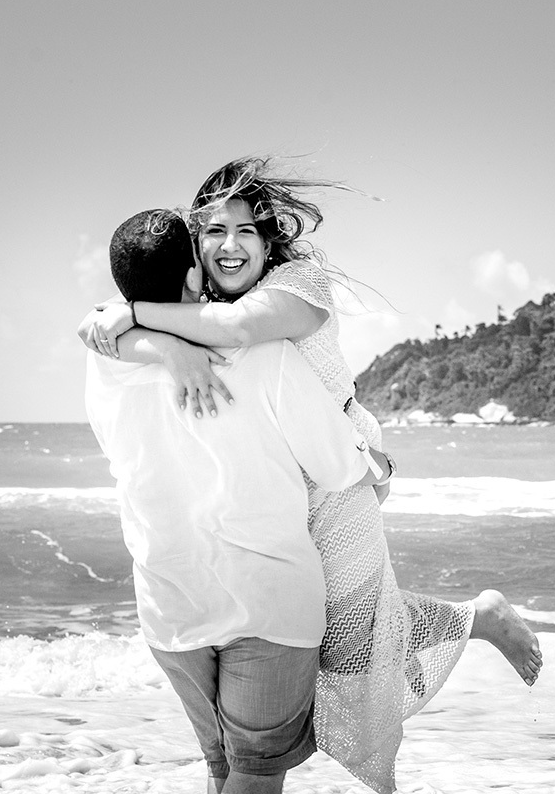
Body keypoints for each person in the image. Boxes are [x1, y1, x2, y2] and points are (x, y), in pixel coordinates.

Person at [79, 158, 542, 794]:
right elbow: (110, 323)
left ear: (270, 241)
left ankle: (475, 618)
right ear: (194, 246)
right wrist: (158, 337)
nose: (229, 245)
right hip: (282, 483)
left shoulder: (296, 286)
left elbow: (240, 332)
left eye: (246, 231)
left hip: (339, 478)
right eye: (212, 232)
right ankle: (469, 620)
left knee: (350, 647)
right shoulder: (199, 307)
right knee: (319, 642)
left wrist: (138, 318)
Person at [85, 209, 395, 794]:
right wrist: (376, 462)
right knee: (254, 770)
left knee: (220, 766)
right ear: (193, 276)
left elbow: (98, 332)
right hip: (269, 602)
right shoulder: (268, 357)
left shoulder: (105, 363)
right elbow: (335, 467)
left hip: (169, 607)